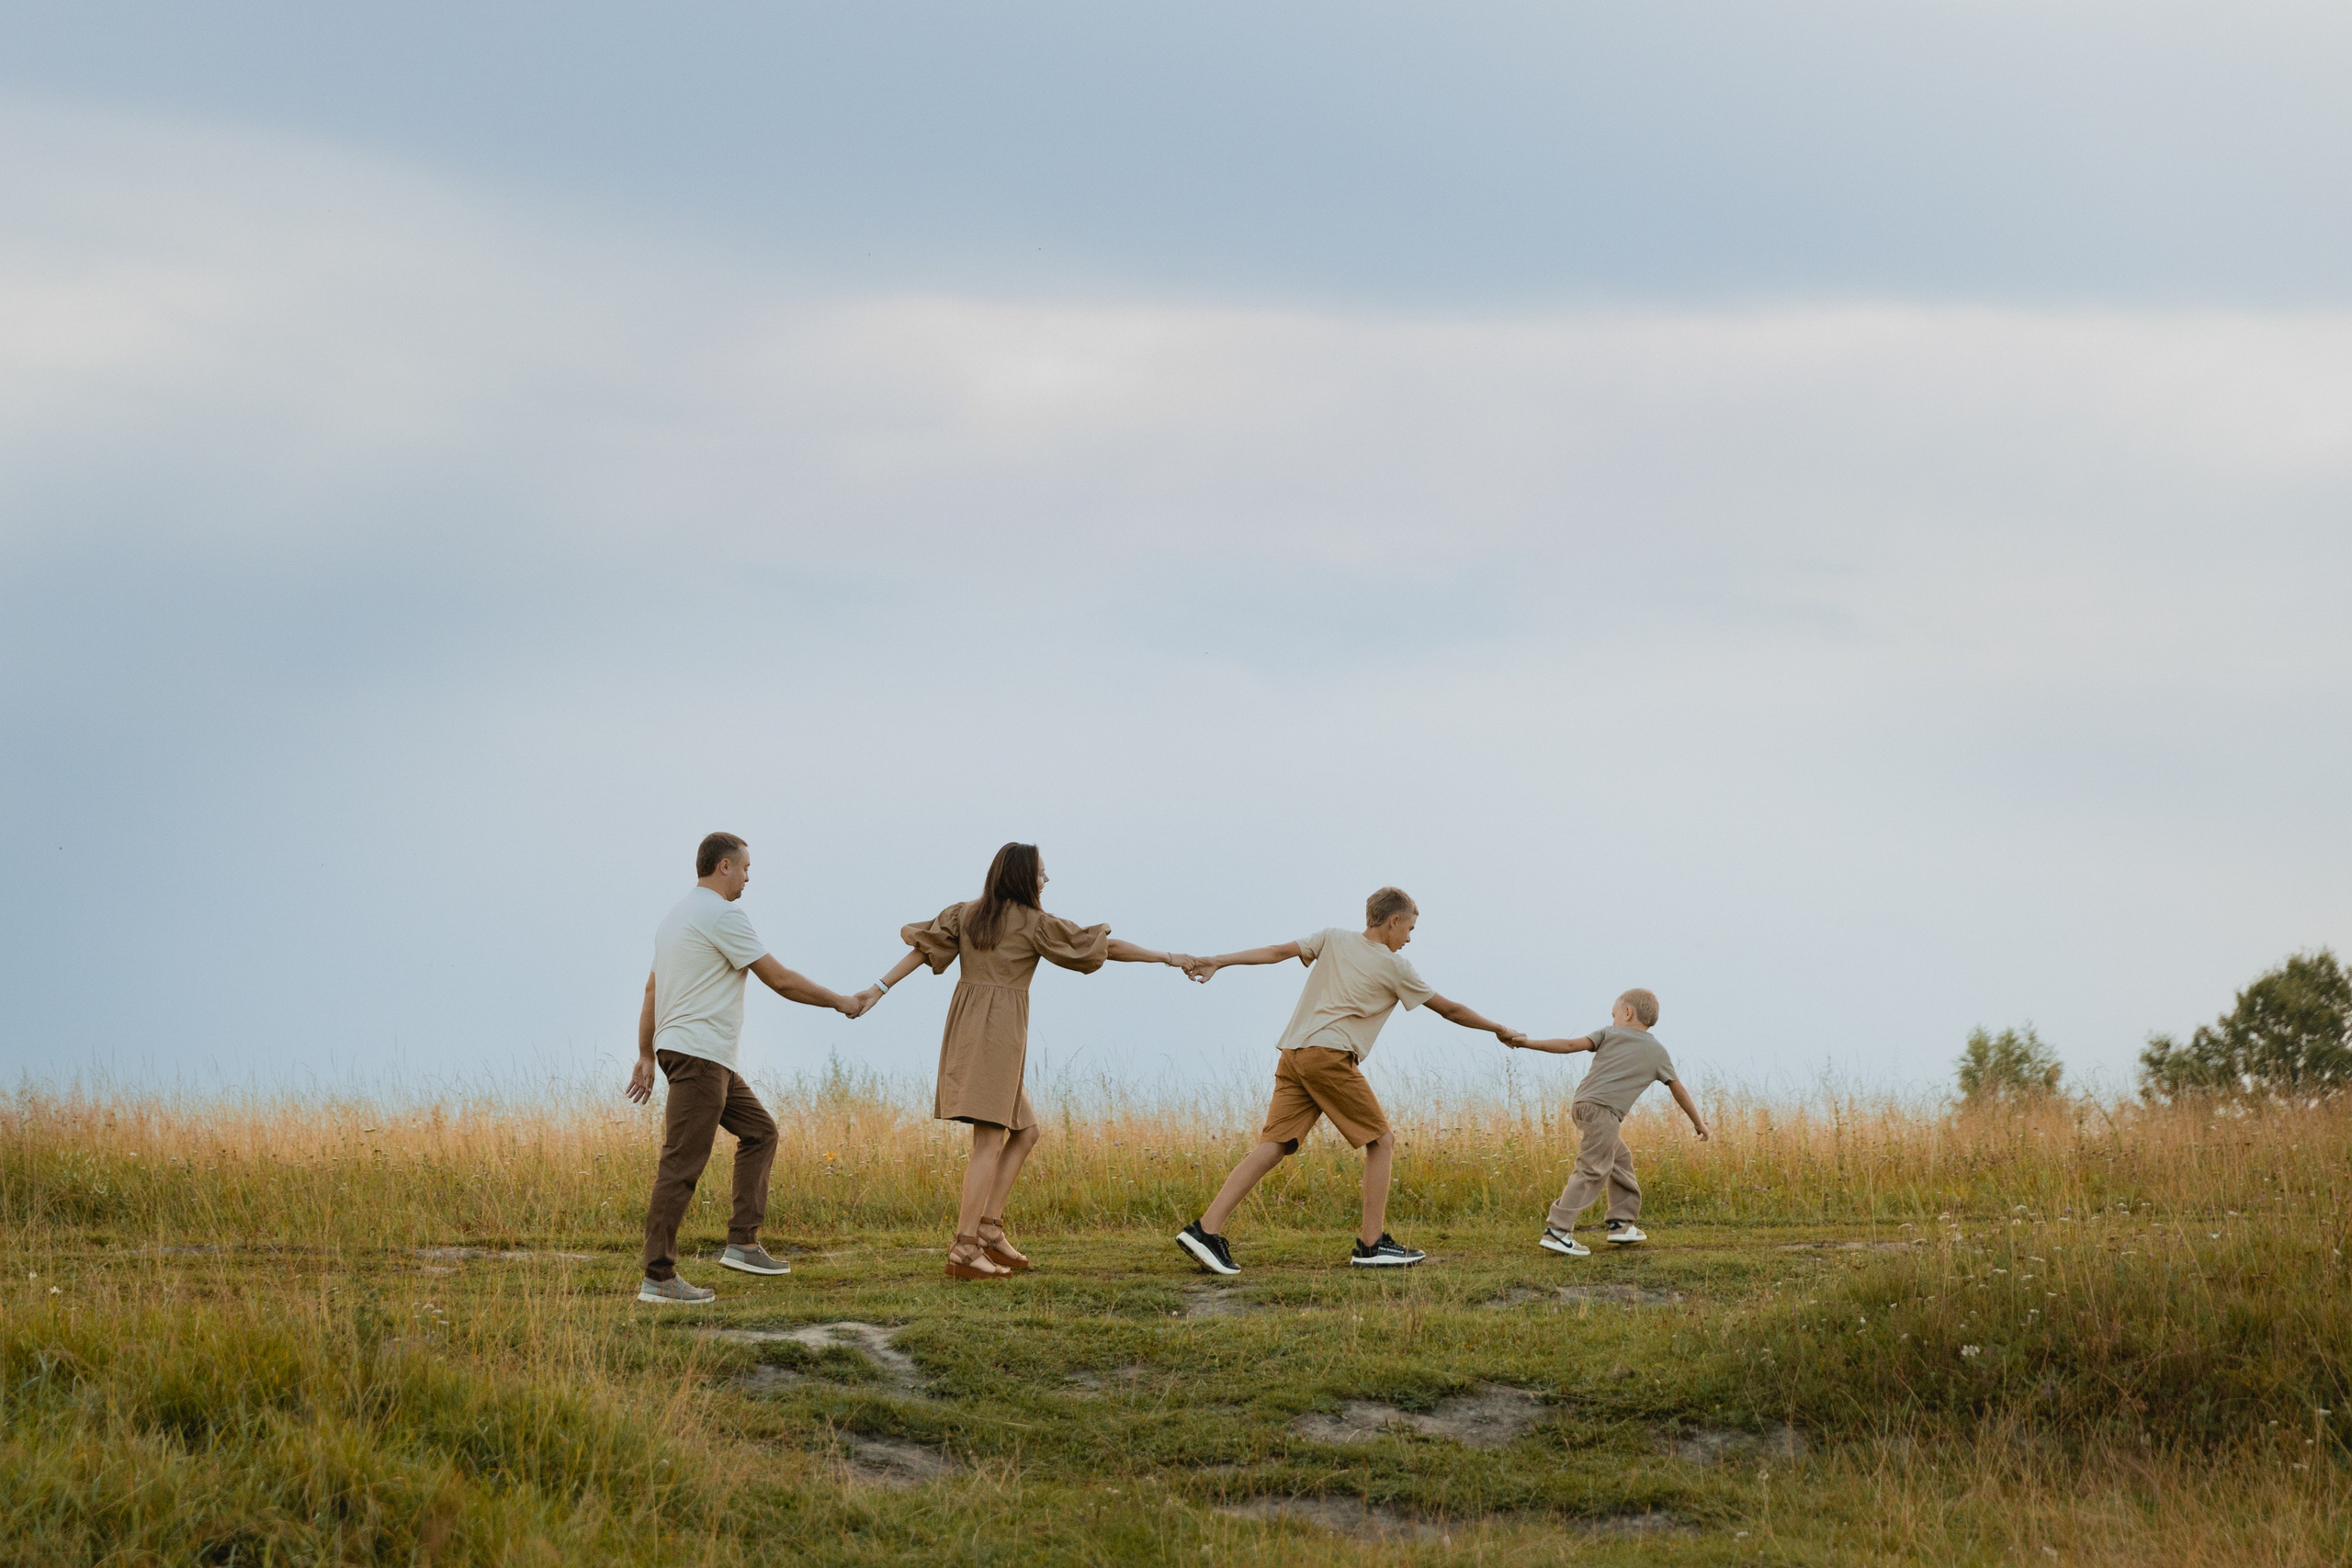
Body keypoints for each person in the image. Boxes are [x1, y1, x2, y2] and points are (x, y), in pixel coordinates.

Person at [858, 842, 1197, 1280]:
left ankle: (989, 1228)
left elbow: (921, 952)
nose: (1046, 879)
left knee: (1026, 1131)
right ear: (1022, 877)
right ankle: (964, 1248)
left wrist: (879, 989)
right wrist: (1170, 957)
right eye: (1041, 872)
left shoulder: (966, 914)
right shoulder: (1029, 923)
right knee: (989, 1140)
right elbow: (1104, 948)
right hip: (996, 1033)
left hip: (972, 1027)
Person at [1172, 886, 1522, 1275]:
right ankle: (1372, 1245)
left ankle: (1205, 1229)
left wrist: (1218, 961)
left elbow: (1275, 952)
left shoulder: (1333, 938)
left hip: (1295, 1052)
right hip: (1329, 1056)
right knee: (1381, 1140)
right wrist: (1499, 1028)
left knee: (1273, 1145)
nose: (1408, 939)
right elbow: (1450, 1009)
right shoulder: (1395, 966)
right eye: (1409, 929)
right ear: (1393, 922)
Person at [627, 832, 872, 1304]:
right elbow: (779, 980)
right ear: (723, 866)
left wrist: (645, 1053)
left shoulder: (675, 917)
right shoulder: (722, 914)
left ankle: (742, 1244)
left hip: (699, 1056)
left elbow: (651, 992)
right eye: (745, 869)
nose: (747, 878)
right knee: (680, 1165)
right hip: (699, 1056)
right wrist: (841, 1001)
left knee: (760, 1132)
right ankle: (658, 1277)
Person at [1505, 987, 1709, 1256]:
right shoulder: (1658, 1052)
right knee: (1592, 1168)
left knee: (1619, 1161)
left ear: (1627, 1012)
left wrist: (1527, 1042)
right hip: (1604, 1113)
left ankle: (1621, 1223)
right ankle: (1557, 1230)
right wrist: (1698, 1122)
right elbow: (1678, 1088)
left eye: (1614, 1014)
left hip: (1584, 1106)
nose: (1612, 1019)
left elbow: (1568, 1046)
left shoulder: (1608, 1034)